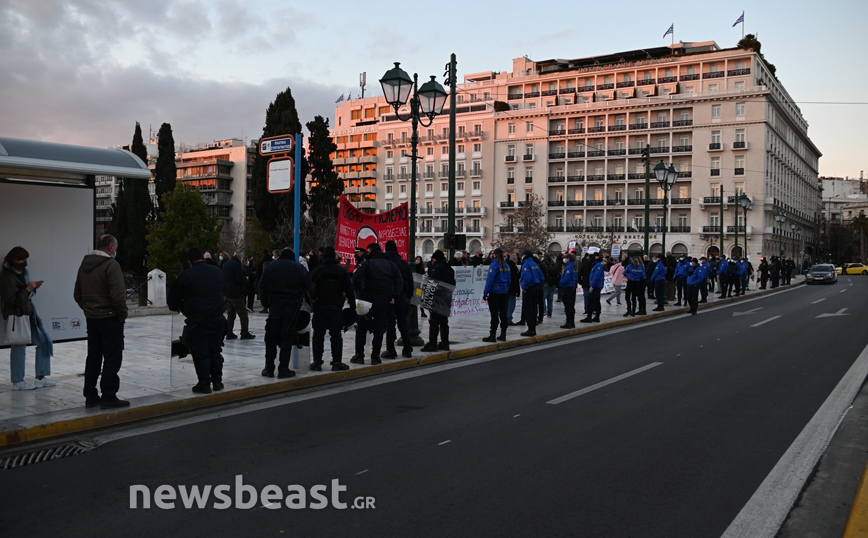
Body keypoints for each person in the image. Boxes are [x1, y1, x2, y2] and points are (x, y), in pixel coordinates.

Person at [73, 234, 129, 409]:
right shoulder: (111, 265)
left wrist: (89, 309)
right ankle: (109, 395)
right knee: (112, 357)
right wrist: (122, 315)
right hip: (110, 317)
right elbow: (118, 296)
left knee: (94, 356)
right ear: (111, 248)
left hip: (92, 319)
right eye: (116, 247)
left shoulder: (84, 265)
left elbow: (77, 294)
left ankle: (90, 395)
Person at [167, 248, 226, 393]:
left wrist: (184, 308)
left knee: (201, 353)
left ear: (189, 262)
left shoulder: (185, 275)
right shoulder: (217, 271)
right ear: (202, 257)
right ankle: (218, 381)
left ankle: (204, 383)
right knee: (216, 351)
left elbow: (172, 301)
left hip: (197, 321)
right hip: (218, 319)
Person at [1, 247, 54, 391]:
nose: (24, 263)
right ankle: (18, 381)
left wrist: (32, 288)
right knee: (19, 345)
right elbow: (13, 300)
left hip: (29, 313)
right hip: (17, 315)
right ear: (14, 259)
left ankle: (41, 377)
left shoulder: (22, 273)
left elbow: (24, 296)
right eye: (22, 260)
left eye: (25, 260)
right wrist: (28, 289)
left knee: (44, 341)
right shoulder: (7, 276)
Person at [258, 248, 312, 378]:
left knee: (271, 338)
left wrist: (266, 304)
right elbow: (309, 284)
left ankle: (269, 368)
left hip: (275, 306)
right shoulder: (298, 268)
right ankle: (283, 368)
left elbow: (261, 286)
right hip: (291, 307)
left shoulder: (271, 267)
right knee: (287, 338)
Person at [352, 243, 402, 363]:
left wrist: (359, 292)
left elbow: (355, 278)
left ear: (370, 251)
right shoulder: (390, 264)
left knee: (362, 327)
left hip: (367, 300)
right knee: (379, 328)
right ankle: (375, 355)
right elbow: (399, 281)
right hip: (383, 299)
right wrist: (393, 295)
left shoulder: (366, 263)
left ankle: (359, 355)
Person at [308, 246, 355, 372]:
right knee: (336, 335)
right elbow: (350, 290)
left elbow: (307, 286)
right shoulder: (341, 271)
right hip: (335, 308)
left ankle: (317, 362)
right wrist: (352, 307)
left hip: (319, 307)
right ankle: (337, 362)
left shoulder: (318, 270)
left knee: (318, 335)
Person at [382, 241, 413, 359]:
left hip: (390, 297)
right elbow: (410, 280)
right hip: (403, 296)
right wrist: (409, 296)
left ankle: (391, 350)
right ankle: (407, 348)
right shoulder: (403, 263)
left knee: (390, 324)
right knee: (403, 323)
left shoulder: (386, 263)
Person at [421, 250, 455, 351]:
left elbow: (433, 283)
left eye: (434, 259)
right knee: (444, 321)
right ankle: (445, 343)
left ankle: (433, 343)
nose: (433, 260)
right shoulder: (449, 268)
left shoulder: (437, 268)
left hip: (438, 298)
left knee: (434, 321)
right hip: (447, 298)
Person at [223, 250, 254, 340]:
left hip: (228, 292)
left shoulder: (227, 264)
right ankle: (244, 332)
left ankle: (229, 332)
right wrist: (246, 279)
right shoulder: (237, 265)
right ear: (240, 257)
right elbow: (239, 278)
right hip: (236, 293)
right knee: (243, 314)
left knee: (230, 314)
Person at [482, 248, 511, 342]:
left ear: (496, 255)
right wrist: (506, 289)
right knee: (503, 314)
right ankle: (503, 334)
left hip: (495, 293)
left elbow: (490, 280)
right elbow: (509, 280)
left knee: (494, 315)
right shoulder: (507, 265)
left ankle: (492, 335)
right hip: (504, 292)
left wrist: (486, 292)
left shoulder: (494, 265)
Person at [519, 250, 545, 337]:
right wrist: (538, 286)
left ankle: (530, 329)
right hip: (536, 288)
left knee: (528, 309)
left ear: (525, 255)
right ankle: (533, 328)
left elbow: (527, 277)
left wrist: (525, 288)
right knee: (534, 308)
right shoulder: (535, 264)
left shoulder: (526, 264)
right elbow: (542, 277)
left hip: (529, 289)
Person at [581, 252, 604, 323]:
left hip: (596, 286)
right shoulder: (596, 265)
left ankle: (589, 316)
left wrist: (592, 286)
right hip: (597, 285)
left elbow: (596, 276)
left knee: (591, 300)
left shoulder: (598, 266)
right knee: (596, 301)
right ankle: (596, 316)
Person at [559, 253, 578, 328]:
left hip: (568, 287)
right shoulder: (572, 266)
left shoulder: (569, 267)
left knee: (568, 306)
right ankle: (571, 322)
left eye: (565, 258)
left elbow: (567, 278)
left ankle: (569, 322)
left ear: (568, 259)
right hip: (572, 286)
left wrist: (561, 282)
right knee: (571, 305)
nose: (564, 259)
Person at [506, 254, 521, 325]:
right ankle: (508, 319)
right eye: (516, 259)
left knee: (506, 304)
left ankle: (505, 318)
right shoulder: (513, 268)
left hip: (505, 288)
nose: (517, 260)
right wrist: (518, 290)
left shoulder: (506, 265)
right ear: (514, 259)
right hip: (512, 288)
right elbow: (515, 280)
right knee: (511, 304)